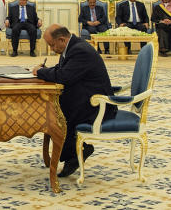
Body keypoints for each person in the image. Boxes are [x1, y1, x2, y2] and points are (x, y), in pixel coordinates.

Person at [33, 24, 115, 179]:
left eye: (52, 45)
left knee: (58, 112)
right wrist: (45, 71)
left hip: (97, 106)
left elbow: (64, 76)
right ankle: (75, 153)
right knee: (55, 106)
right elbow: (61, 70)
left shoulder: (80, 51)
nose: (51, 49)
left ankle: (77, 153)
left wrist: (40, 72)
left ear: (62, 40)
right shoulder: (72, 47)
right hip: (86, 96)